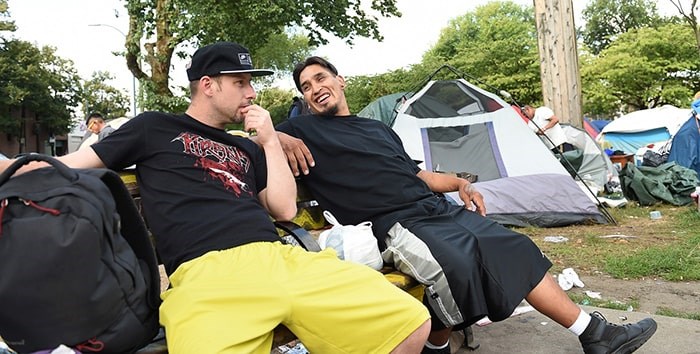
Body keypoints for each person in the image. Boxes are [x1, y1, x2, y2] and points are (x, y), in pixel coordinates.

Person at [0, 43, 431, 353]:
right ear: (208, 85)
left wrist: (269, 142)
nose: (251, 93)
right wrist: (7, 167)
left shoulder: (246, 145)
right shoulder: (153, 127)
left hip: (280, 257)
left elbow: (282, 208)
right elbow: (71, 163)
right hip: (206, 274)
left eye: (250, 84)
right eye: (240, 83)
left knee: (408, 324)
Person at [275, 56, 658, 354]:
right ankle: (437, 345)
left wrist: (460, 183)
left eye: (321, 79)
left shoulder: (378, 129)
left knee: (514, 247)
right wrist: (276, 134)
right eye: (306, 87)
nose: (315, 89)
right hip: (391, 224)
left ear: (340, 81)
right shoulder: (300, 130)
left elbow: (419, 176)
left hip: (435, 208)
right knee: (455, 265)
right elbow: (243, 135)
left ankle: (595, 335)